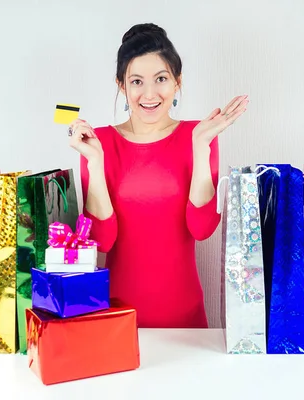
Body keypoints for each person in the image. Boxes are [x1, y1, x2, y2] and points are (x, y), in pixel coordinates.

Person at [68, 23, 248, 328]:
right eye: (137, 81)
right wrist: (95, 164)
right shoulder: (98, 143)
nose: (149, 94)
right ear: (121, 86)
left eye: (161, 79)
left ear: (177, 82)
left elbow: (202, 228)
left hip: (186, 323)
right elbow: (101, 242)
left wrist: (201, 148)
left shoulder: (199, 135)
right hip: (116, 321)